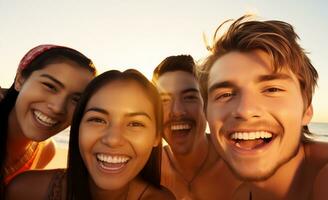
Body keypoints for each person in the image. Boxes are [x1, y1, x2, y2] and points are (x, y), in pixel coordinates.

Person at [198, 15, 328, 200]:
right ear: (206, 114)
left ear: (307, 110)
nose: (245, 110)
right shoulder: (240, 194)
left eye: (272, 89)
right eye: (225, 94)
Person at [6, 69, 175, 200]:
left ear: (156, 136)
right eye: (98, 120)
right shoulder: (26, 191)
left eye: (135, 123)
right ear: (78, 126)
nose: (113, 140)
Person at [0, 44, 96, 197]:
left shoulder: (46, 152)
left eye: (76, 99)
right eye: (50, 86)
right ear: (20, 80)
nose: (58, 107)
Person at [153, 55, 239, 200]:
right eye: (165, 100)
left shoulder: (239, 164)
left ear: (207, 105)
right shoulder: (148, 171)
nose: (177, 111)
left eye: (189, 97)